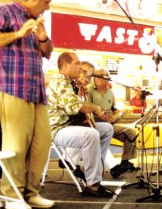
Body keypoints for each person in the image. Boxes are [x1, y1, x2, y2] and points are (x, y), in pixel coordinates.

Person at [0, 0, 54, 209]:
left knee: (42, 142)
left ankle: (31, 193)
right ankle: (12, 194)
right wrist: (19, 33)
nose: (48, 6)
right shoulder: (3, 12)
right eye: (46, 1)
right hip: (10, 85)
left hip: (36, 90)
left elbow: (47, 53)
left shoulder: (36, 22)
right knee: (16, 145)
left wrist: (42, 37)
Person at [47, 52, 115, 198]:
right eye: (77, 64)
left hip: (69, 125)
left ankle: (93, 168)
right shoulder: (59, 81)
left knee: (107, 129)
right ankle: (93, 184)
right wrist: (96, 108)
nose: (80, 68)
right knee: (91, 134)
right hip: (58, 129)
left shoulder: (69, 82)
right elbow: (74, 107)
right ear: (65, 65)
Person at [89, 69, 137, 179]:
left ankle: (125, 162)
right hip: (93, 124)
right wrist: (99, 114)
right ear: (95, 78)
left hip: (108, 124)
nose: (106, 78)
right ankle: (112, 168)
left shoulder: (110, 92)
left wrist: (118, 113)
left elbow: (113, 109)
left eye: (108, 75)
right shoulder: (89, 91)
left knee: (131, 133)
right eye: (103, 76)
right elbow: (86, 110)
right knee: (102, 135)